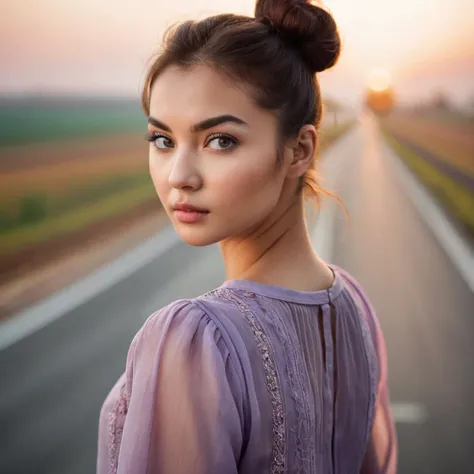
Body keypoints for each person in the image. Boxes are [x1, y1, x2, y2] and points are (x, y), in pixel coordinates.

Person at [97, 0, 398, 472]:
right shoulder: (354, 308)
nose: (179, 175)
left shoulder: (196, 340)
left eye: (220, 141)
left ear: (299, 150)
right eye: (163, 140)